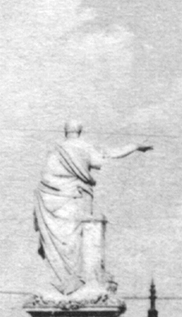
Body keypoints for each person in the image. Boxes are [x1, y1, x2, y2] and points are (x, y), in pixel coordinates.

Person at [34, 120, 152, 298]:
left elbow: (47, 175)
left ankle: (65, 278)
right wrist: (134, 146)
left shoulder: (54, 150)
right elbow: (107, 155)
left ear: (65, 131)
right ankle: (78, 279)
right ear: (80, 131)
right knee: (78, 237)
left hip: (50, 200)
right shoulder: (84, 147)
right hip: (76, 196)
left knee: (60, 240)